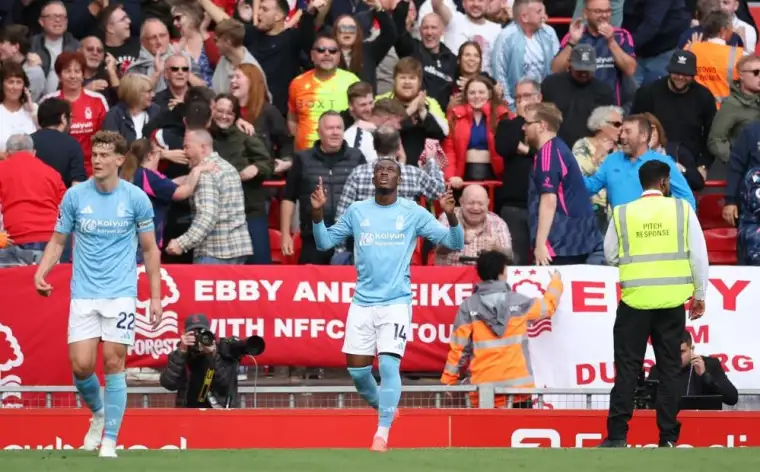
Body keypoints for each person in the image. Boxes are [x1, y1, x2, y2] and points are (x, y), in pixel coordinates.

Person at [311, 159, 465, 451]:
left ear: (399, 178)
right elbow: (323, 242)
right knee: (358, 373)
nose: (384, 173)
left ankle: (381, 432)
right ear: (372, 178)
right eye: (379, 170)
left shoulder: (412, 212)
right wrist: (317, 213)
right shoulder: (358, 211)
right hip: (362, 302)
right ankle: (386, 408)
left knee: (389, 365)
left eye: (390, 170)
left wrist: (451, 216)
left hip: (396, 302)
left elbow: (455, 243)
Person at [31, 130, 163, 458]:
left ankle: (110, 440)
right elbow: (59, 240)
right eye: (95, 154)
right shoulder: (75, 197)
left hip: (120, 292)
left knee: (114, 360)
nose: (98, 160)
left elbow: (149, 250)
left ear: (120, 159)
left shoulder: (135, 199)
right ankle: (99, 414)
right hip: (84, 293)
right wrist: (41, 270)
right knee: (81, 366)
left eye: (105, 155)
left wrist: (156, 296)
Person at [600, 160, 709, 448]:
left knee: (626, 369)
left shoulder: (623, 212)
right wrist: (699, 293)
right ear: (664, 182)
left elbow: (610, 254)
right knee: (670, 369)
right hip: (671, 303)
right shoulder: (682, 209)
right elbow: (699, 255)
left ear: (642, 183)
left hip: (634, 302)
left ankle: (617, 437)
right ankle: (668, 438)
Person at [441, 250, 563, 407]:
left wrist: (448, 382)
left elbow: (458, 350)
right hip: (518, 392)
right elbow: (548, 307)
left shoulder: (468, 306)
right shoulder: (519, 302)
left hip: (482, 393)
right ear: (502, 273)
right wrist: (556, 282)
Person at [647, 330, 738, 408]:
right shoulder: (658, 370)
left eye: (681, 352)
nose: (676, 357)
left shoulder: (710, 365)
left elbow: (732, 398)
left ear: (692, 349)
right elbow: (646, 401)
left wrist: (705, 376)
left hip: (702, 423)